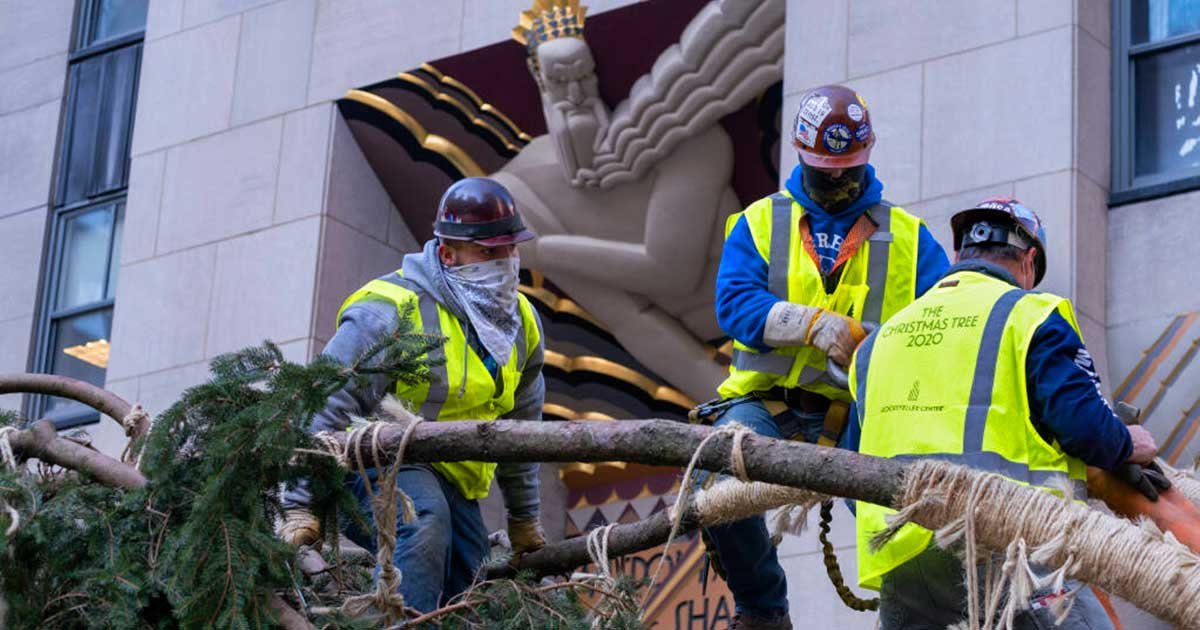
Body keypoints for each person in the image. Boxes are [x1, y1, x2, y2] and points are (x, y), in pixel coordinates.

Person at [850, 197, 1166, 629]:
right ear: (1029, 261)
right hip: (1009, 544)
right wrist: (1129, 442)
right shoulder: (1031, 316)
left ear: (959, 256)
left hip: (904, 559)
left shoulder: (879, 342)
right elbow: (1082, 427)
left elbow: (853, 470)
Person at [703, 84, 951, 629]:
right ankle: (764, 609)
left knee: (903, 506)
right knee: (714, 478)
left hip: (866, 413)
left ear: (867, 155)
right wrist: (814, 325)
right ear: (799, 154)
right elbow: (735, 306)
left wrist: (874, 339)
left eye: (849, 166)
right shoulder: (759, 223)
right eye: (826, 168)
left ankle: (922, 616)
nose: (838, 177)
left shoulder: (910, 238)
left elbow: (945, 326)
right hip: (767, 404)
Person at [277, 177, 548, 612]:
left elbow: (523, 428)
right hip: (369, 467)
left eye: (510, 250)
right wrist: (298, 503)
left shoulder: (522, 324)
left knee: (470, 581)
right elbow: (324, 402)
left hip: (452, 481)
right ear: (447, 253)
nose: (504, 263)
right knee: (424, 522)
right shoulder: (390, 309)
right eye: (488, 252)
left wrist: (523, 517)